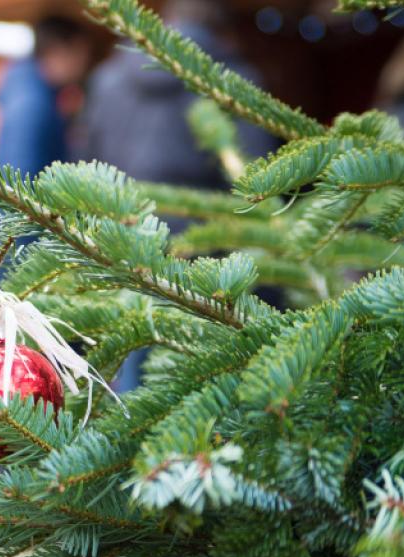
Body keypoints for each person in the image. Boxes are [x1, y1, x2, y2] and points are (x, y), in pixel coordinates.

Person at [82, 0, 275, 391]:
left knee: (129, 377)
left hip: (122, 250)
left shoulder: (107, 79)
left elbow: (86, 165)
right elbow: (257, 189)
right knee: (202, 390)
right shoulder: (233, 82)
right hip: (209, 267)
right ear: (223, 28)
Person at [0, 15, 92, 176]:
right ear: (56, 50)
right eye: (81, 54)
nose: (84, 65)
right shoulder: (31, 103)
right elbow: (17, 175)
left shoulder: (32, 90)